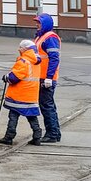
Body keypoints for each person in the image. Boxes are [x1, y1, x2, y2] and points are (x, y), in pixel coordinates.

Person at [0, 39, 44, 146]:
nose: (19, 49)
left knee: (13, 115)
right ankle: (37, 136)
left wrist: (6, 77)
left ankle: (9, 136)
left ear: (25, 49)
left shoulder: (23, 61)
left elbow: (14, 78)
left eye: (20, 47)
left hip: (19, 95)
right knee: (32, 116)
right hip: (31, 94)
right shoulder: (36, 62)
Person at [35, 13, 63, 143]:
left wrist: (49, 78)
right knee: (48, 105)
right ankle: (54, 133)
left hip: (46, 78)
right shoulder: (41, 37)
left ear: (45, 24)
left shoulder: (49, 38)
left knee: (47, 106)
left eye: (39, 23)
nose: (37, 25)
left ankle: (52, 134)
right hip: (41, 77)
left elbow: (54, 59)